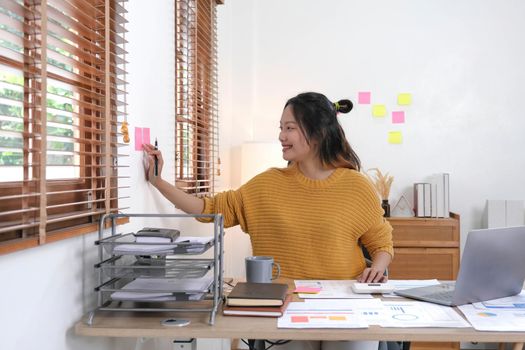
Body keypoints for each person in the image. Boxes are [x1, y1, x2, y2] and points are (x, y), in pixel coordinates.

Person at [143, 92, 393, 350]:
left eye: (290, 128)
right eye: (281, 128)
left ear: (317, 134)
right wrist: (158, 181)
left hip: (347, 304)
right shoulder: (266, 185)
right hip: (284, 305)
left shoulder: (356, 186)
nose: (281, 136)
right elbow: (208, 209)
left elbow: (381, 242)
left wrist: (377, 267)